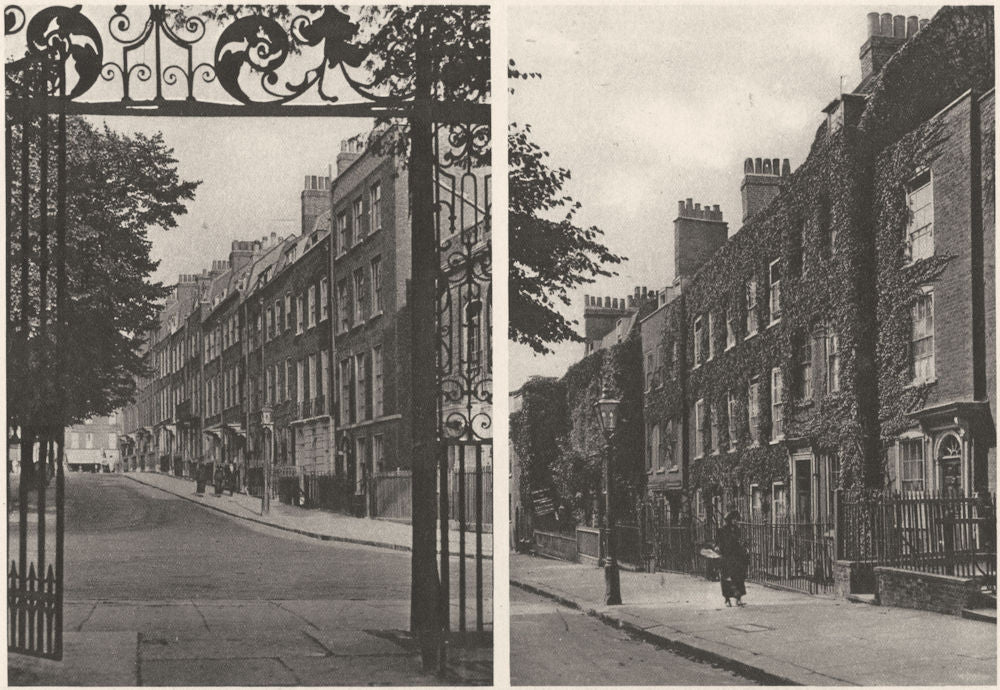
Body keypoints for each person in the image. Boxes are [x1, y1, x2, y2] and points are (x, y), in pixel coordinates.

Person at [717, 510, 748, 607]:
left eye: (736, 519)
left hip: (736, 557)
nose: (735, 521)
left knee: (739, 577)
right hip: (726, 557)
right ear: (729, 520)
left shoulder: (737, 530)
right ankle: (727, 599)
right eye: (733, 519)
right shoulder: (722, 530)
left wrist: (743, 546)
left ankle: (738, 599)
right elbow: (719, 543)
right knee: (727, 578)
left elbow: (739, 542)